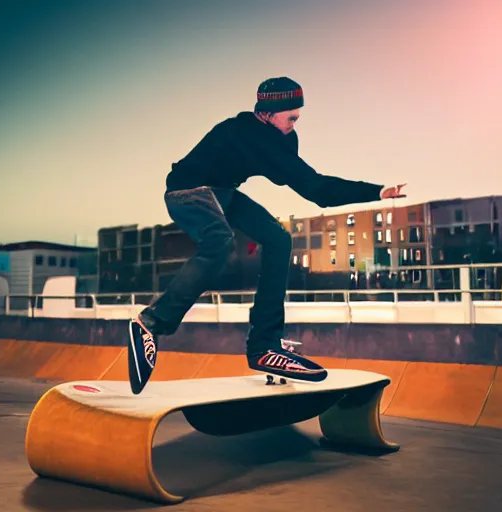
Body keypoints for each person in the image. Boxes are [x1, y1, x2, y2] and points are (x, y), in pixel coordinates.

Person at [127, 77, 407, 394]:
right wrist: (373, 190)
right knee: (218, 241)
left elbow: (314, 188)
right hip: (186, 192)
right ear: (268, 113)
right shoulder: (242, 132)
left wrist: (377, 192)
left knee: (278, 238)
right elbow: (304, 181)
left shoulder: (274, 138)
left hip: (223, 194)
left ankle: (264, 344)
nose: (294, 125)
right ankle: (152, 320)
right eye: (290, 118)